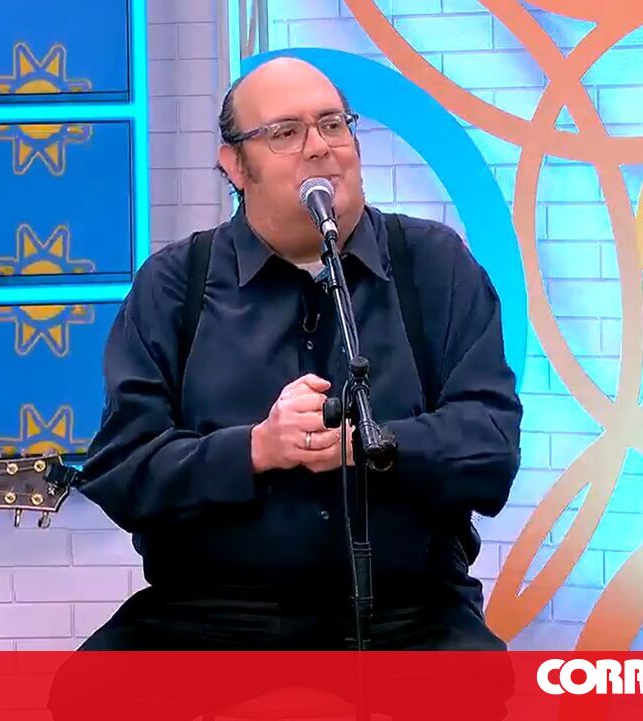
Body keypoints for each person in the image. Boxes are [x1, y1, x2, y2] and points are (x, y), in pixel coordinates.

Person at [49, 57, 521, 720]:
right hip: (207, 616)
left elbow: (491, 447)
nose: (319, 147)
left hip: (408, 616)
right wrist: (254, 450)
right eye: (285, 133)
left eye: (333, 124)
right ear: (235, 166)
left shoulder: (434, 265)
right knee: (88, 694)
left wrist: (372, 444)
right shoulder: (175, 284)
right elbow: (122, 469)